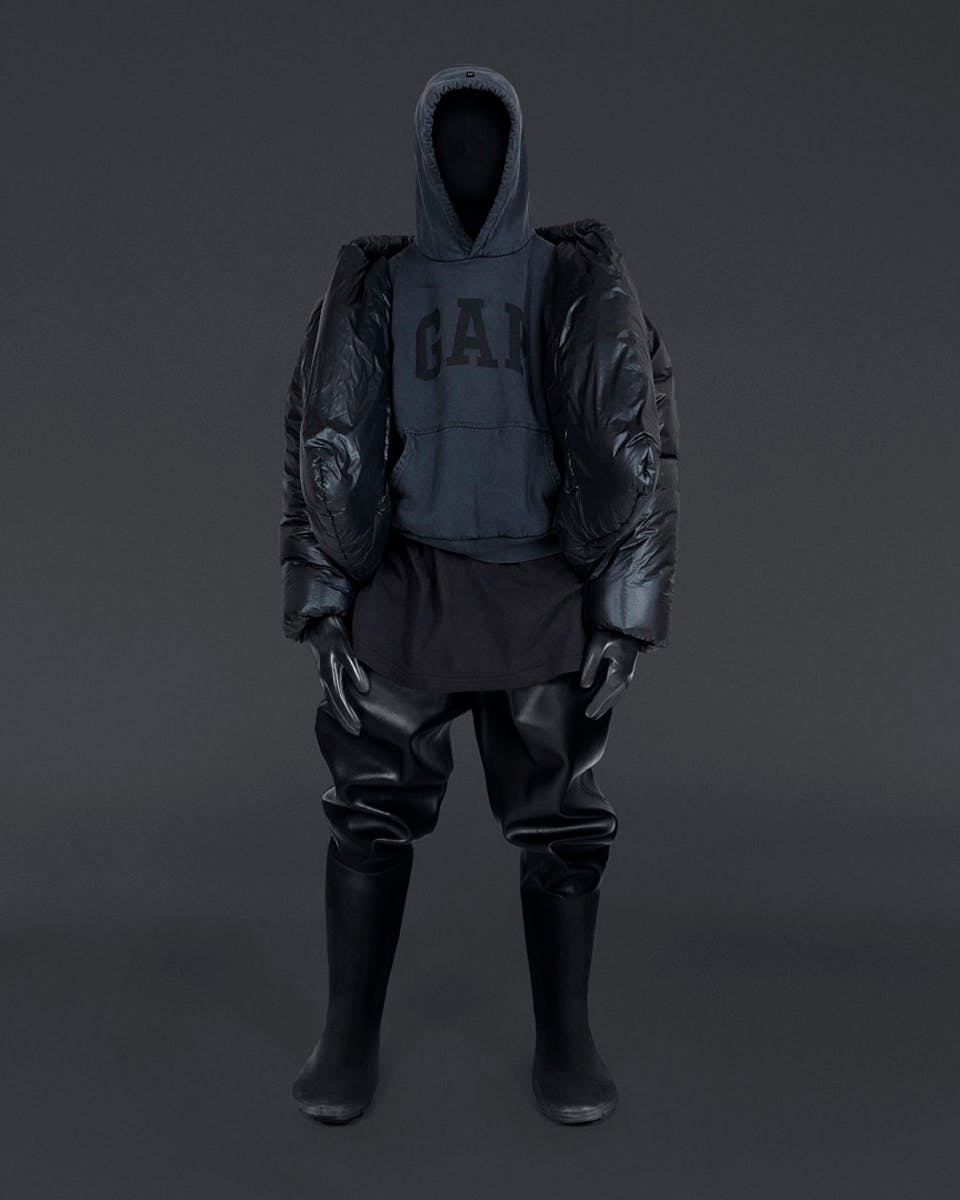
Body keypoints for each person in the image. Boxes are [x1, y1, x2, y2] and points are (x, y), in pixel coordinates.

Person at [278, 63, 679, 1125]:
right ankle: (347, 1035)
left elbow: (643, 440)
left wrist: (626, 612)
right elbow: (316, 438)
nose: (468, 161)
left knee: (563, 826)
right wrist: (323, 602)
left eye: (485, 142)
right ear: (422, 156)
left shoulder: (574, 282)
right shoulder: (376, 286)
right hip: (408, 583)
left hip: (542, 587)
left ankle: (566, 1038)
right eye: (449, 142)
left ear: (515, 156)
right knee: (367, 814)